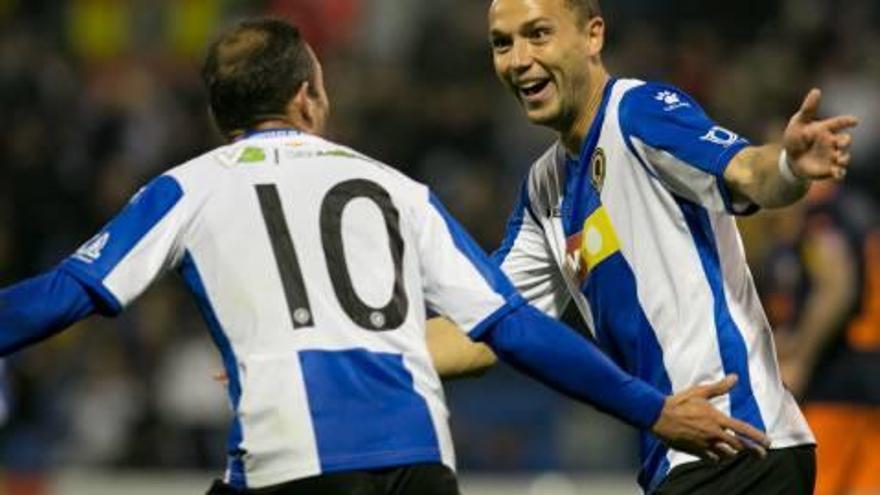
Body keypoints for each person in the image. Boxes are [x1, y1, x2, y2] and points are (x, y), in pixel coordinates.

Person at [0, 17, 767, 495]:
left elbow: (65, 292)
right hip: (421, 468)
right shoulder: (397, 188)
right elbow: (513, 327)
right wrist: (651, 408)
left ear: (217, 114)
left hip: (295, 462)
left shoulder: (186, 188)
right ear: (308, 96)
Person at [427, 0, 858, 493]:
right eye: (502, 43)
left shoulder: (637, 112)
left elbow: (747, 171)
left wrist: (788, 167)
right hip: (683, 454)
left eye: (538, 34)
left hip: (738, 440)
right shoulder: (543, 189)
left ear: (593, 36)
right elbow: (483, 327)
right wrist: (355, 348)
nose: (518, 58)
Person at [760, 181, 880, 495]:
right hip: (868, 379)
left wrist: (800, 357)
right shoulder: (861, 209)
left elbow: (835, 287)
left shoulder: (822, 218)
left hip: (837, 384)